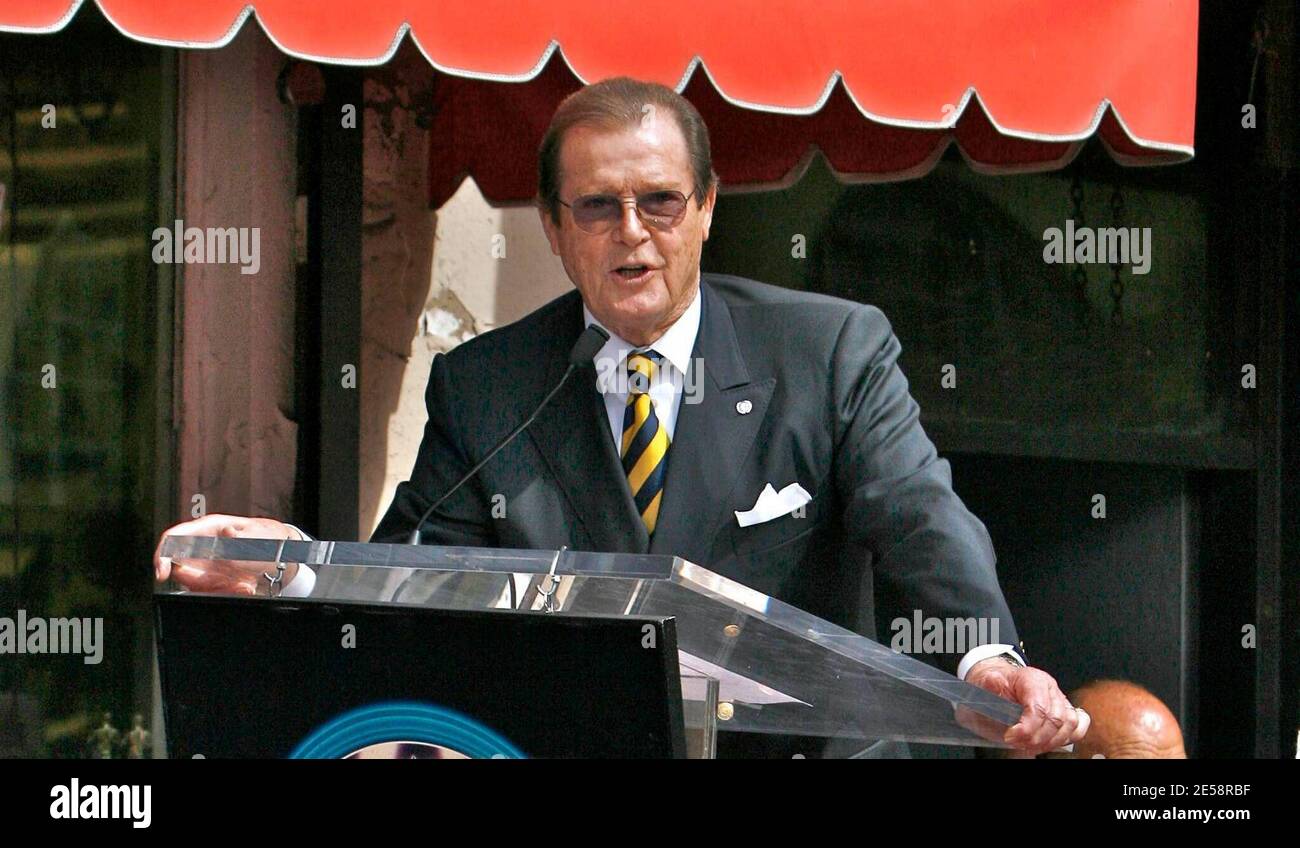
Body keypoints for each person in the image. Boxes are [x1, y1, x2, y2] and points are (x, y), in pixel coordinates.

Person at [156, 76, 1088, 756]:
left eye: (660, 202)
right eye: (597, 207)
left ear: (708, 210)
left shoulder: (831, 352)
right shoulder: (488, 383)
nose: (631, 233)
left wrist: (979, 658)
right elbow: (418, 574)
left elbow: (922, 518)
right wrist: (297, 570)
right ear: (556, 229)